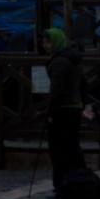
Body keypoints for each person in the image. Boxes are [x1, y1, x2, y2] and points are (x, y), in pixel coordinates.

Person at [38, 27, 86, 184]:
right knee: (73, 148)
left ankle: (61, 185)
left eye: (48, 42)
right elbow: (84, 84)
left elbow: (56, 90)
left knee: (58, 151)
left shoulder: (59, 61)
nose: (45, 45)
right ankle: (78, 182)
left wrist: (50, 113)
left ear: (56, 42)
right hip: (75, 108)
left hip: (62, 110)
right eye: (44, 42)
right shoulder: (74, 58)